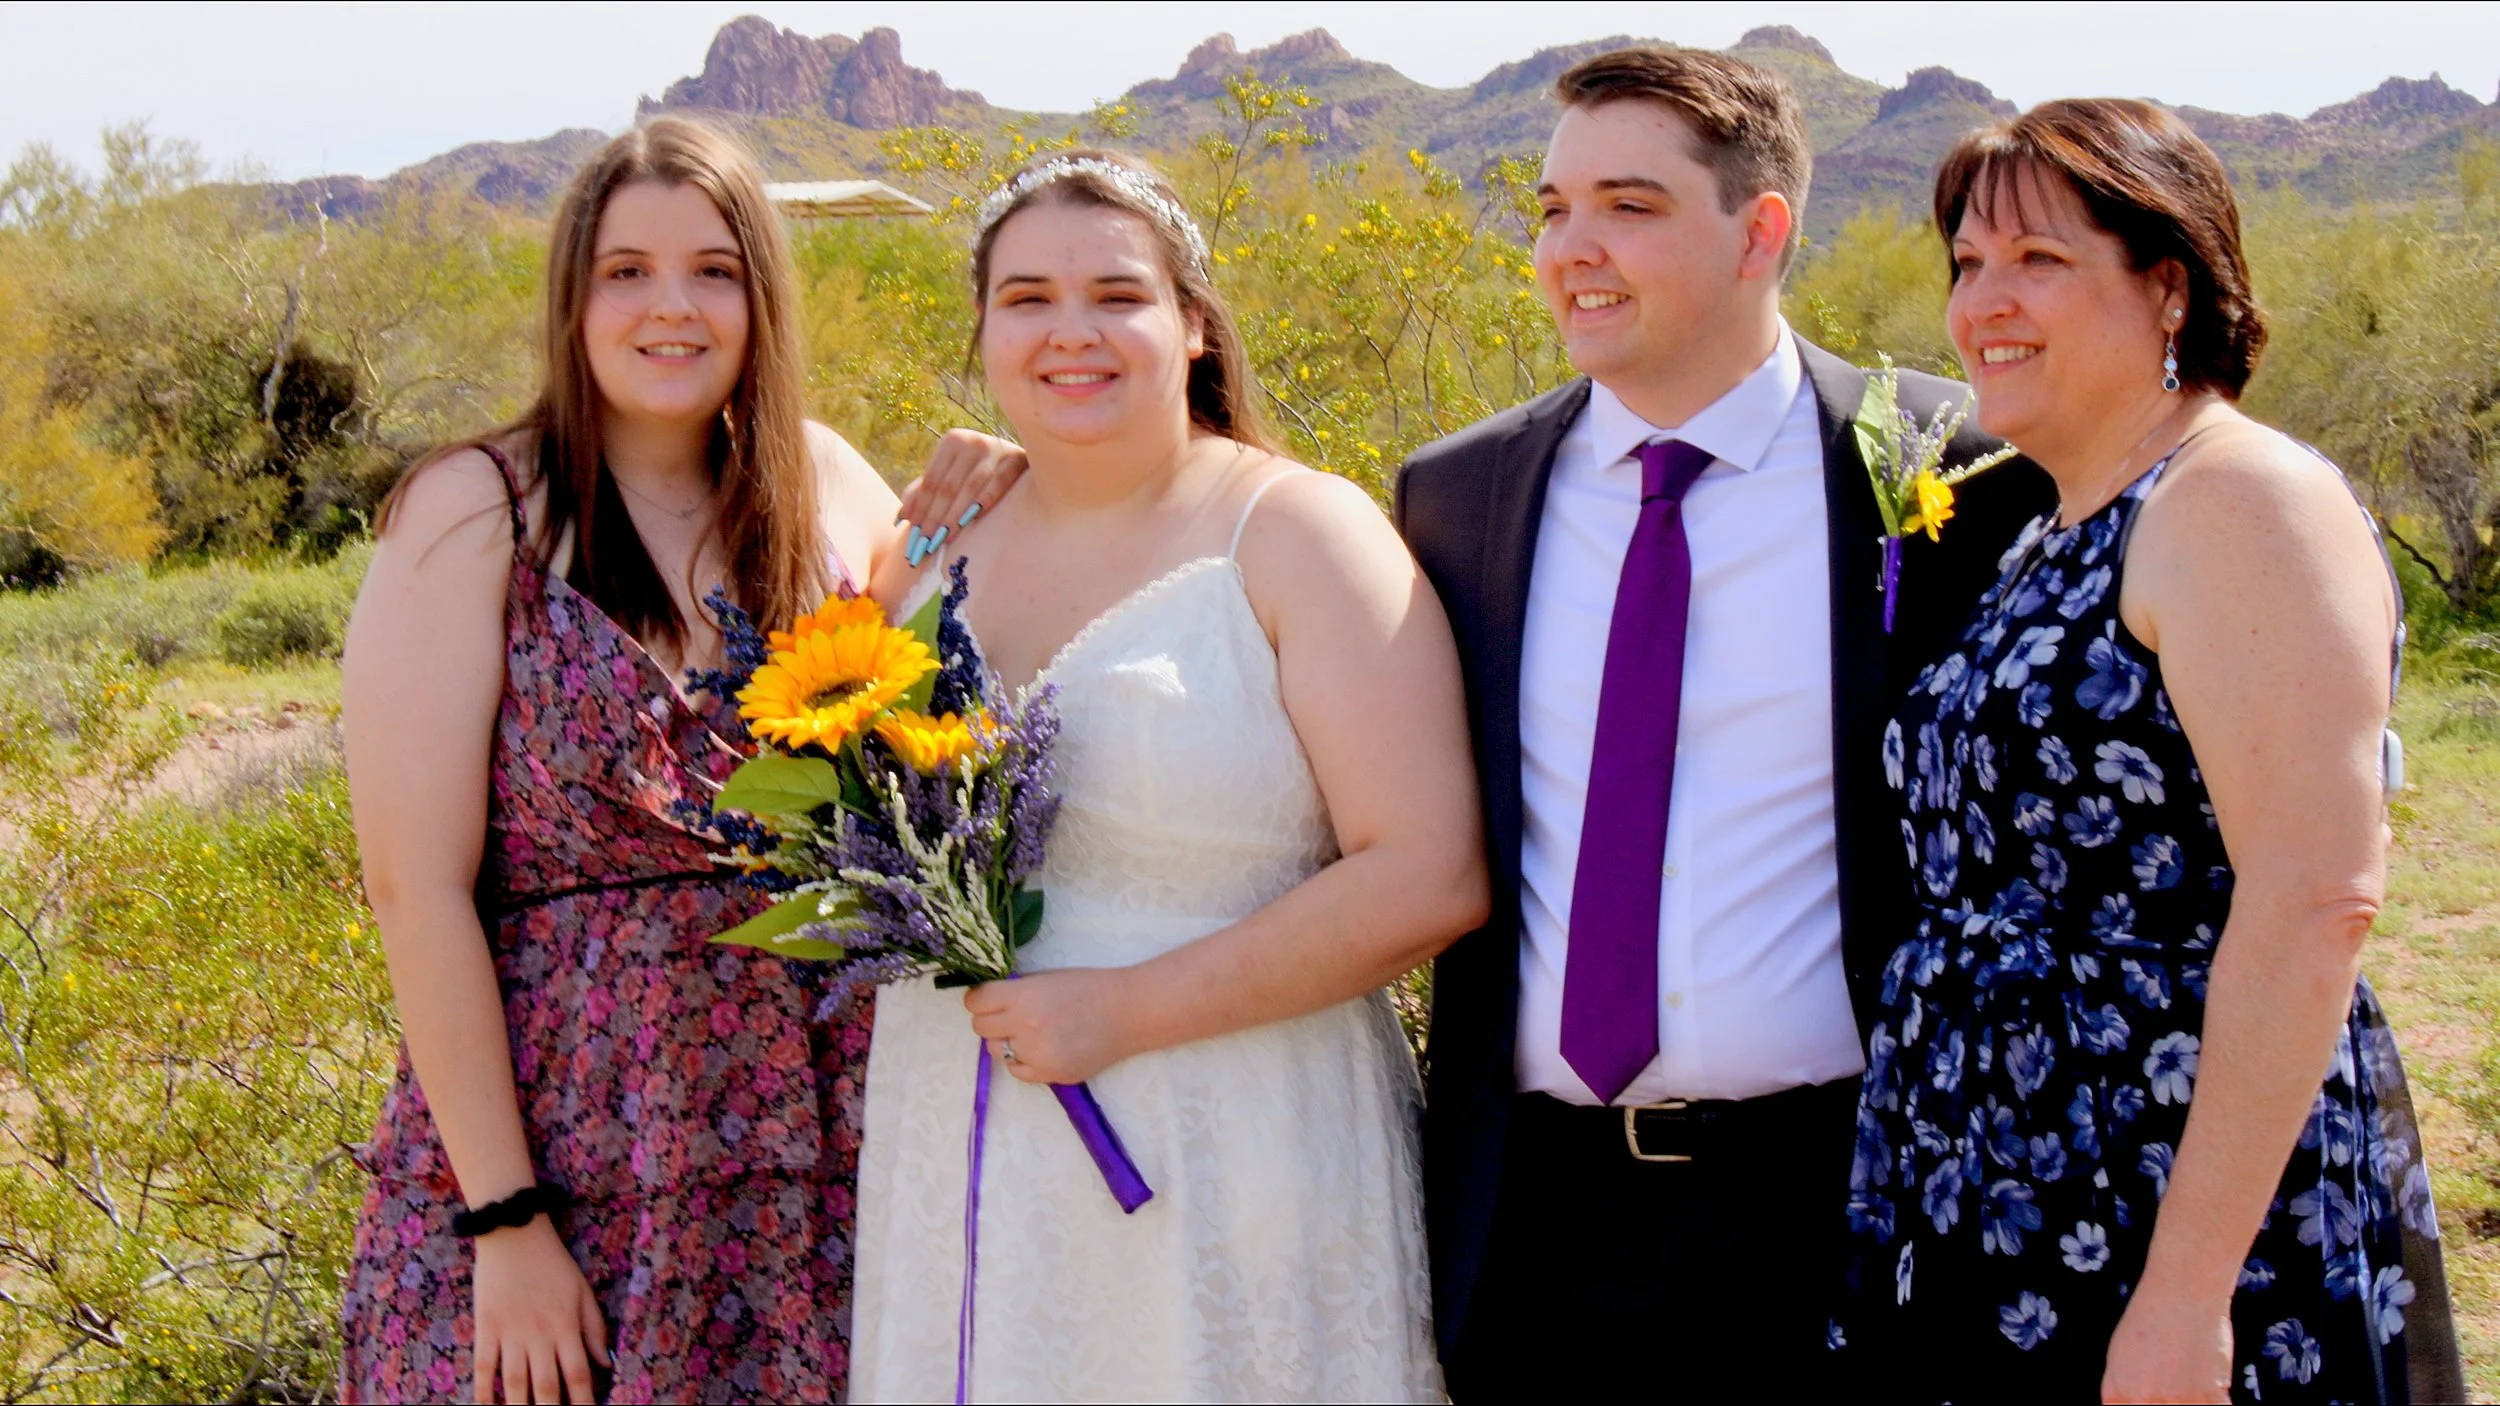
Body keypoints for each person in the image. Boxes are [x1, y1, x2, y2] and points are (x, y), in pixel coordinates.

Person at [1394, 47, 2056, 1396]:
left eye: (1628, 206)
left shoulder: (1955, 473)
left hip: (1839, 1195)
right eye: (1550, 207)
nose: (1572, 248)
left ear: (1763, 232)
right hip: (1533, 1215)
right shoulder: (1455, 498)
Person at [338, 116, 1024, 1405]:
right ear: (573, 299)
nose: (673, 307)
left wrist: (1005, 480)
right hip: (565, 1135)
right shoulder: (477, 509)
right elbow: (414, 890)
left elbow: (939, 701)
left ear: (759, 296)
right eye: (626, 271)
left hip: (820, 1128)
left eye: (714, 269)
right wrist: (506, 1217)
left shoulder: (821, 481)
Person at [1830, 97, 2464, 1404]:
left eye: (2038, 261)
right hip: (2004, 1191)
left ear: (2167, 287)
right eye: (1967, 264)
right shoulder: (2049, 529)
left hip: (2163, 1205)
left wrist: (2183, 1298)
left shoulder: (2233, 497)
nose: (1981, 302)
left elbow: (2313, 900)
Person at [845, 150, 1483, 1403]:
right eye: (1025, 297)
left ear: (1192, 324)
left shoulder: (1299, 531)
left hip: (1228, 1131)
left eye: (1116, 295)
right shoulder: (924, 552)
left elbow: (1430, 870)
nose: (1068, 330)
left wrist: (1129, 1009)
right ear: (981, 328)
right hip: (959, 1132)